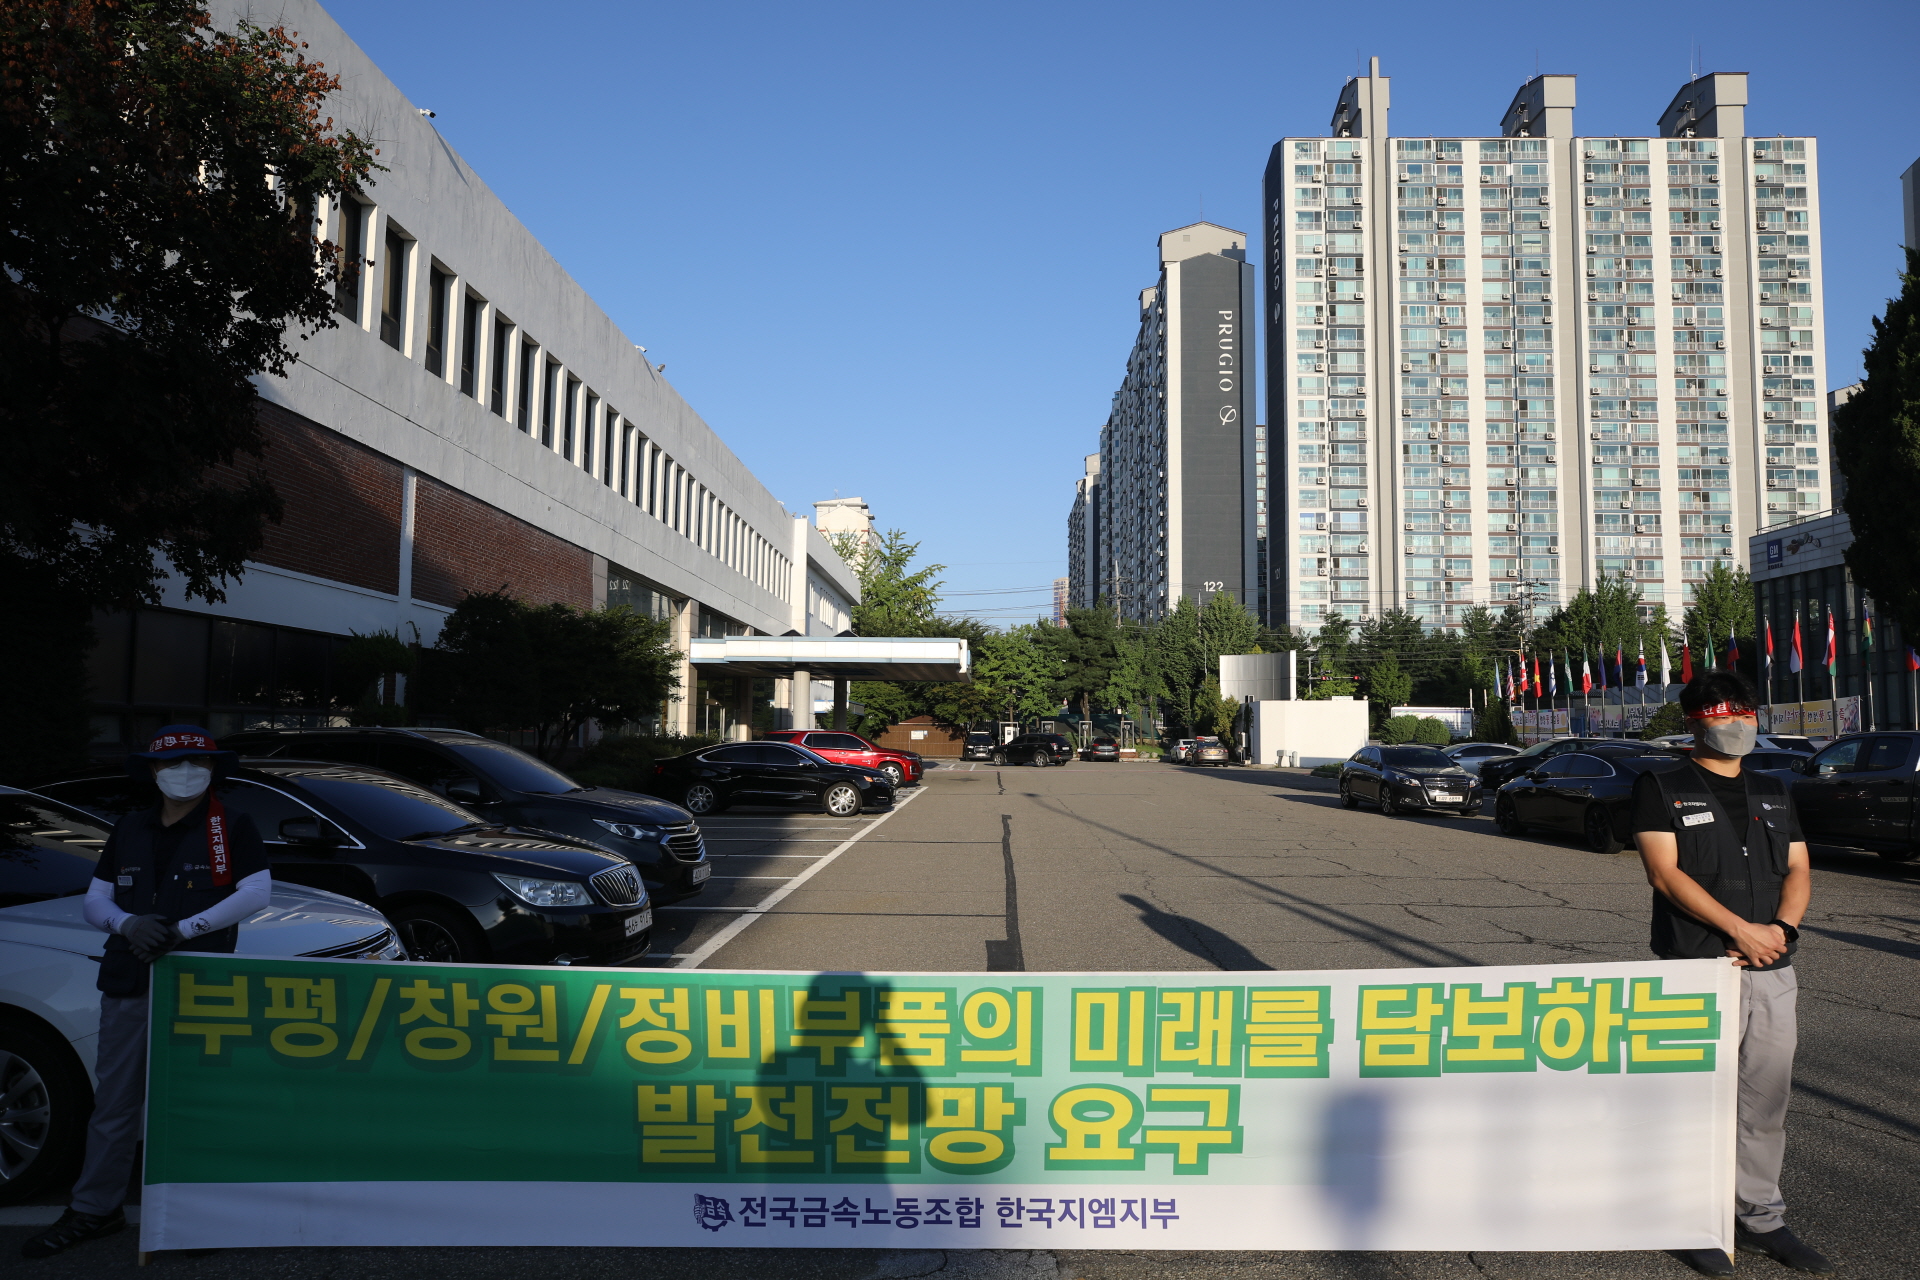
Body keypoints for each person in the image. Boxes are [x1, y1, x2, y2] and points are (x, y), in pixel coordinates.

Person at [22, 727, 271, 1261]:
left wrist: (186, 929)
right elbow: (96, 900)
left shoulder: (232, 826)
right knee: (115, 1102)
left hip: (199, 986)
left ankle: (193, 1218)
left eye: (197, 761)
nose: (186, 771)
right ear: (153, 771)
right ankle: (95, 1209)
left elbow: (256, 891)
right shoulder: (129, 828)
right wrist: (127, 923)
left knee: (195, 1102)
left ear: (213, 769)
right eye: (173, 762)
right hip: (130, 978)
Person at [1631, 672, 1832, 1278]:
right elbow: (1665, 874)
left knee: (1765, 1101)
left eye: (1744, 710)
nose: (1737, 722)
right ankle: (1694, 1218)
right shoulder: (1661, 786)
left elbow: (1799, 869)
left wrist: (1782, 931)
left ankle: (1760, 1216)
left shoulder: (1773, 788)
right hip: (1696, 967)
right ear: (1694, 722)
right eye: (1722, 712)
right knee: (1695, 1100)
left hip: (1772, 968)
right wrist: (1740, 930)